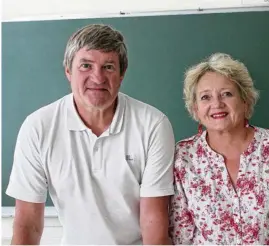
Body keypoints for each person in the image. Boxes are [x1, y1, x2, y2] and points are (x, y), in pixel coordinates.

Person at [6, 24, 175, 245]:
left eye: (108, 67)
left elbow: (154, 222)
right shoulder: (38, 127)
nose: (98, 78)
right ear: (68, 70)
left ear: (122, 74)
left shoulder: (153, 124)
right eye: (86, 65)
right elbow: (28, 223)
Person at [168, 53, 269, 245]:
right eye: (205, 97)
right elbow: (181, 233)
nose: (216, 104)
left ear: (245, 100)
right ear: (195, 109)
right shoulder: (183, 158)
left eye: (227, 94)